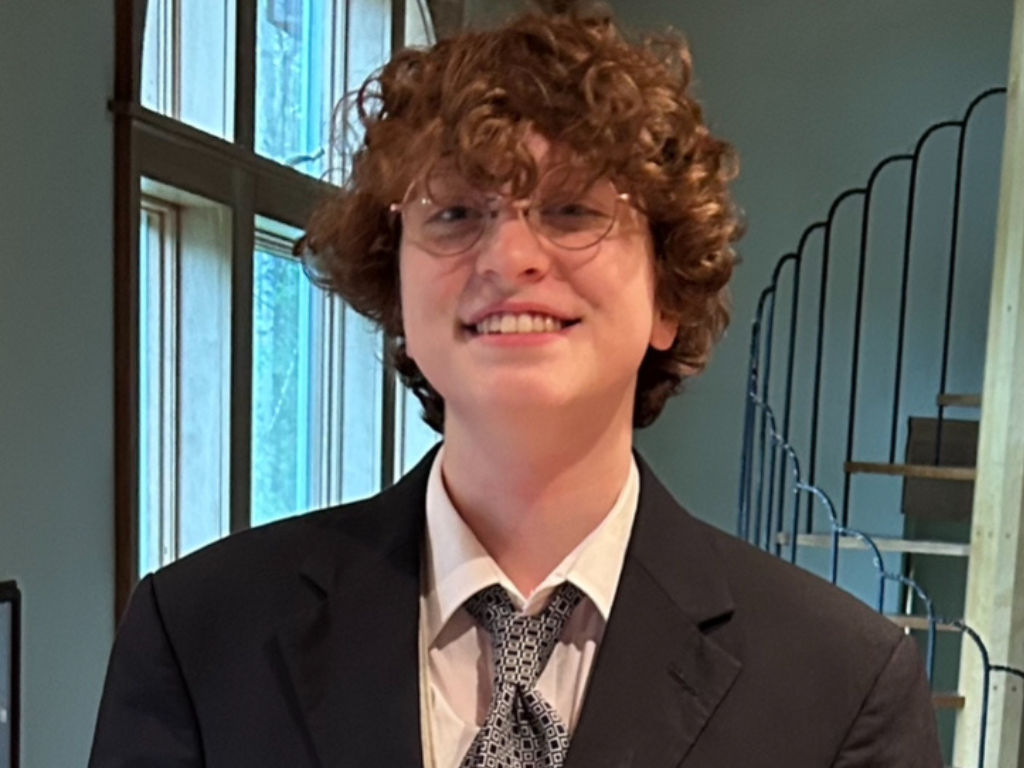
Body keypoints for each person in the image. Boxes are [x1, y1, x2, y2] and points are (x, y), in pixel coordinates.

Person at [89, 8, 944, 768]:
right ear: (397, 293)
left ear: (669, 296)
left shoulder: (842, 687)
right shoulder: (199, 634)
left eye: (572, 210)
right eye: (457, 214)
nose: (509, 258)